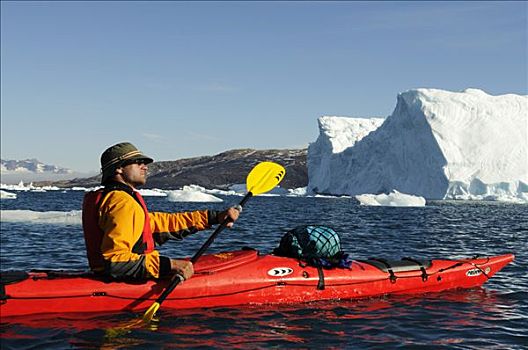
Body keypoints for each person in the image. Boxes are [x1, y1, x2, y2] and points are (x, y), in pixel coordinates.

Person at [82, 142, 240, 281]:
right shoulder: (121, 202)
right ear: (118, 169)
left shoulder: (114, 197)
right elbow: (116, 262)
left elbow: (159, 225)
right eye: (138, 163)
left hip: (109, 275)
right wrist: (169, 265)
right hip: (120, 280)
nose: (145, 167)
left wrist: (212, 217)